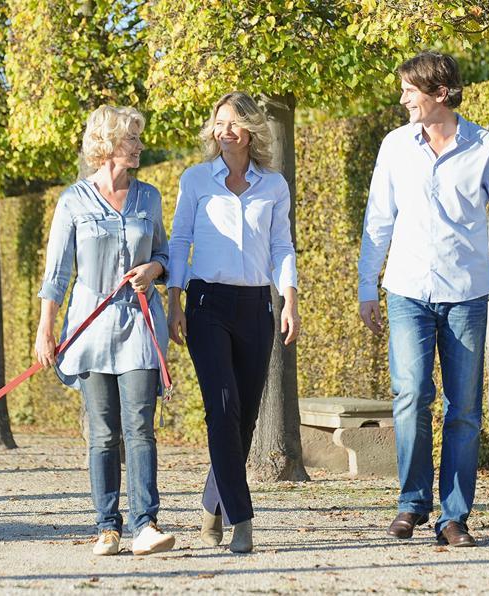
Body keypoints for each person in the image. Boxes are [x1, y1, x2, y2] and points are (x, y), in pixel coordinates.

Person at [357, 51, 489, 547]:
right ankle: (412, 503)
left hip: (465, 294)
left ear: (440, 94)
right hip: (407, 291)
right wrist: (365, 285)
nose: (403, 98)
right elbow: (378, 221)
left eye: (410, 91)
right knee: (411, 395)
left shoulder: (485, 147)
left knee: (463, 409)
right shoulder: (395, 147)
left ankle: (454, 517)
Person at [35, 105, 175, 556]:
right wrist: (45, 330)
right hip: (90, 329)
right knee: (102, 433)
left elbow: (166, 255)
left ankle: (146, 525)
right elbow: (56, 275)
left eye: (137, 138)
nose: (138, 145)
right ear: (107, 144)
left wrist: (153, 268)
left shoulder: (149, 197)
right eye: (130, 138)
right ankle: (106, 527)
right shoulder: (73, 201)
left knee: (140, 428)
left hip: (138, 324)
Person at [167, 91, 300, 553]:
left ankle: (211, 504)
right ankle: (242, 519)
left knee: (242, 419)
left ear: (251, 131)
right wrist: (174, 302)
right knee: (221, 410)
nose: (224, 131)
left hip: (256, 308)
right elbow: (179, 239)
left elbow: (282, 246)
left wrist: (290, 300)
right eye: (218, 124)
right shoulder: (196, 180)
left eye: (233, 124)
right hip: (207, 304)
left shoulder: (274, 185)